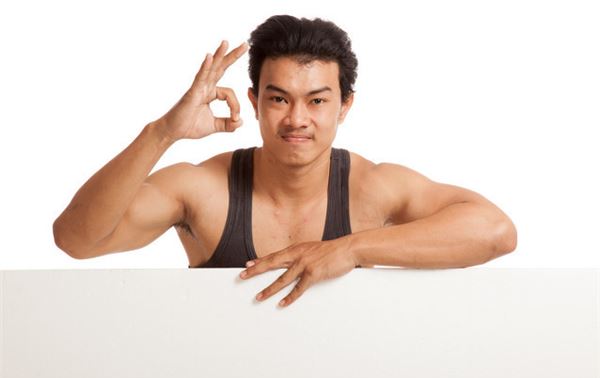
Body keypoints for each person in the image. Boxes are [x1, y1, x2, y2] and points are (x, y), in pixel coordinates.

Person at [53, 15, 517, 307]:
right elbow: (76, 239)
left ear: (344, 106)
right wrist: (163, 132)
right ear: (255, 102)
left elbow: (495, 232)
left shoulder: (372, 188)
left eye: (317, 101)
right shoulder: (203, 189)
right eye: (279, 99)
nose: (297, 119)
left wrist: (349, 249)